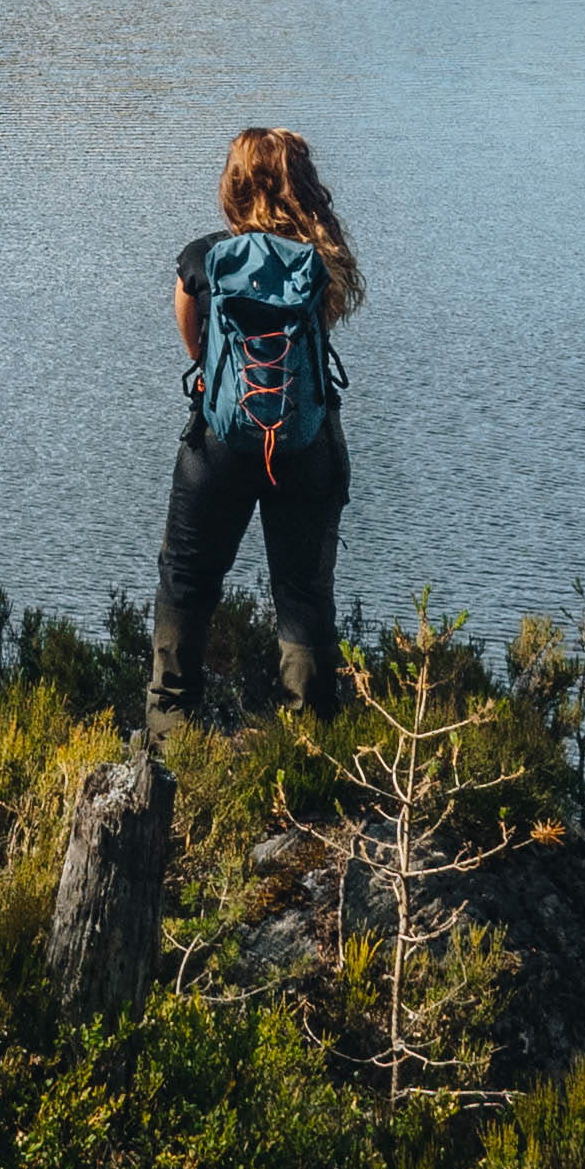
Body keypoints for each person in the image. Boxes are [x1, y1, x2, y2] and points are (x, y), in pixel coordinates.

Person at [150, 125, 363, 731]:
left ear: (235, 184)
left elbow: (194, 344)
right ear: (302, 184)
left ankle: (167, 746)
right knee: (303, 600)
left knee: (186, 584)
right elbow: (323, 329)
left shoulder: (202, 259)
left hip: (217, 447)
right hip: (305, 444)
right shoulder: (322, 262)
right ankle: (310, 760)